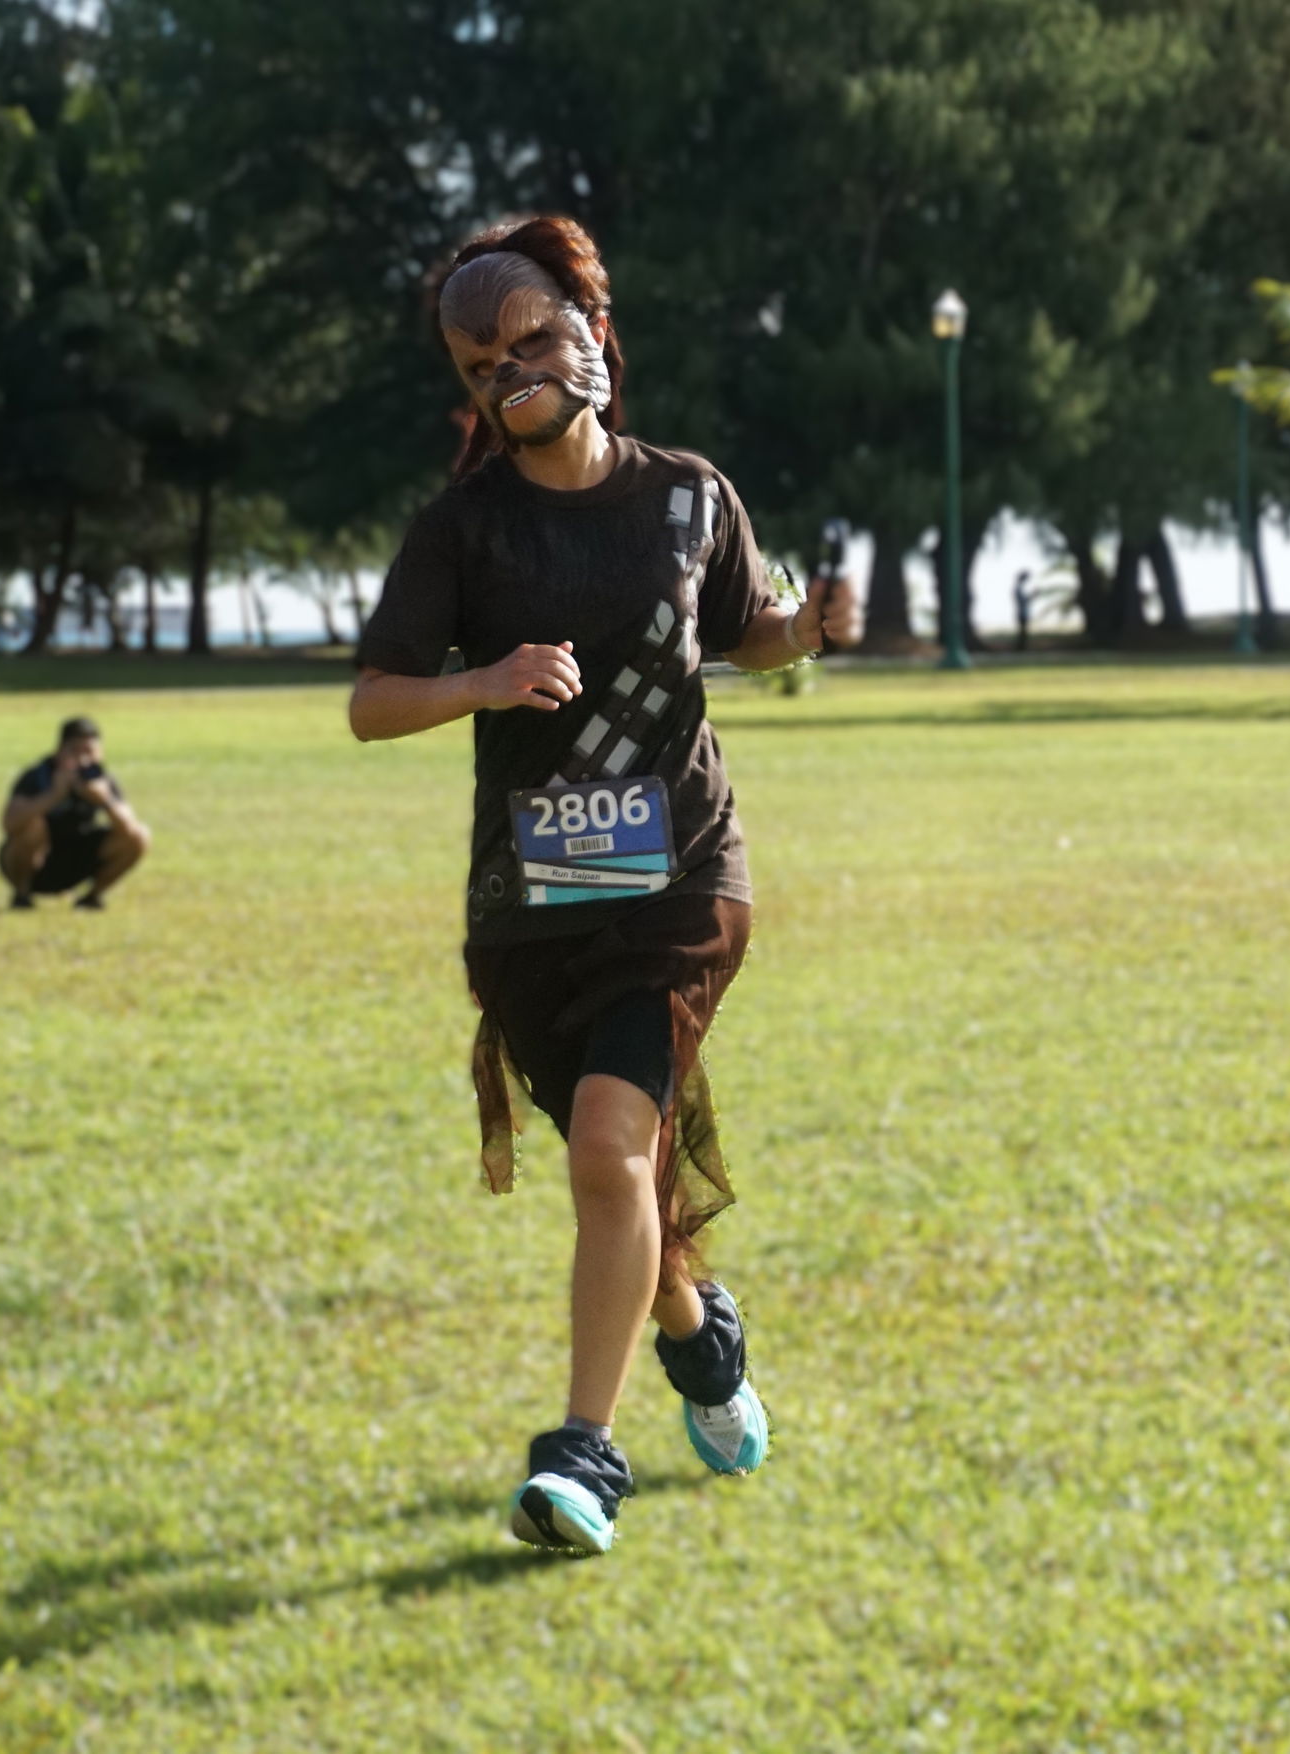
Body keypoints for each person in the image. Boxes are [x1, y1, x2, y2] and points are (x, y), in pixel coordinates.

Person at [349, 215, 859, 1556]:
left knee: (603, 1150)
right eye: (477, 366)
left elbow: (740, 630)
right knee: (614, 1170)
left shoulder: (689, 492)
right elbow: (372, 701)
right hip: (532, 899)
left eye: (527, 337)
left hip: (681, 875)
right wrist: (484, 679)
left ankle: (585, 1455)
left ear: (590, 328)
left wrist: (801, 634)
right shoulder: (461, 531)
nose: (508, 373)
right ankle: (700, 1339)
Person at [0, 715, 150, 910]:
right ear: (60, 751)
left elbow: (130, 829)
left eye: (89, 752)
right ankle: (22, 895)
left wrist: (104, 800)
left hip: (77, 857)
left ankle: (92, 897)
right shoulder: (39, 775)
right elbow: (9, 823)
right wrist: (53, 795)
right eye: (75, 752)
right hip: (34, 862)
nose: (83, 760)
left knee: (141, 836)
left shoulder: (100, 780)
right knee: (32, 826)